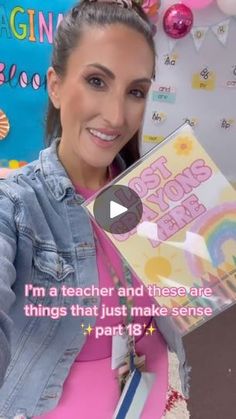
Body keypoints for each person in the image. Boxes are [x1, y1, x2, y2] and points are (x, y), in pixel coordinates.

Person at [0, 0, 190, 417]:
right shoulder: (15, 207)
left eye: (135, 91)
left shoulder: (158, 190)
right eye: (97, 81)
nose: (117, 115)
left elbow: (192, 311)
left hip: (148, 402)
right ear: (55, 84)